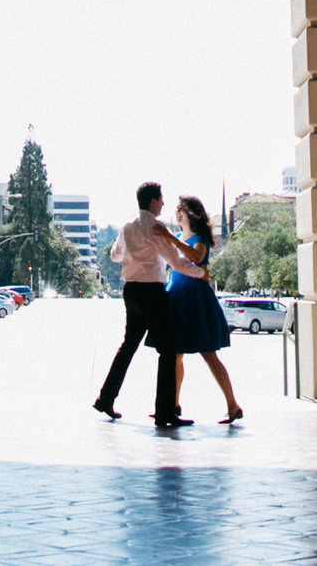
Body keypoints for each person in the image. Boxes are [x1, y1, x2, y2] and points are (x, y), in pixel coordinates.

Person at [92, 180, 204, 427]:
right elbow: (175, 261)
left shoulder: (128, 226)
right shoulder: (155, 227)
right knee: (168, 350)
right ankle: (164, 412)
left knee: (128, 346)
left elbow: (115, 255)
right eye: (161, 199)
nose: (163, 203)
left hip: (131, 291)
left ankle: (105, 398)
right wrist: (200, 273)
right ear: (153, 201)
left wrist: (131, 256)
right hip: (152, 291)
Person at [165, 196, 244, 424]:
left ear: (192, 214)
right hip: (178, 298)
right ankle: (174, 404)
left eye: (182, 210)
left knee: (209, 355)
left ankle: (232, 404)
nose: (178, 213)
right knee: (176, 356)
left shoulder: (199, 239)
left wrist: (172, 240)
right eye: (177, 209)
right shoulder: (179, 238)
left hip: (196, 301)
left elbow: (197, 257)